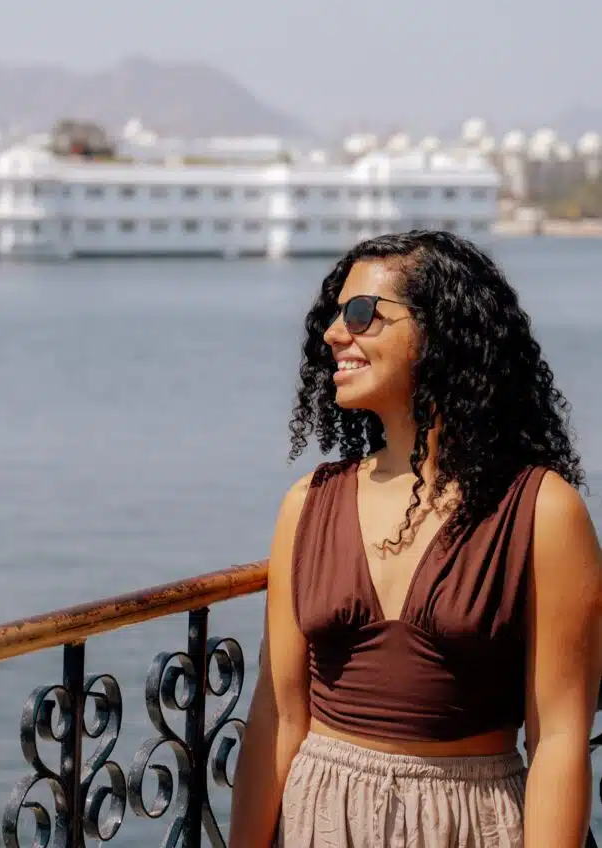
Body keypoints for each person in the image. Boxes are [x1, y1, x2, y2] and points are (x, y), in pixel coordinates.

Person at [229, 231, 601, 848]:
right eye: (332, 314)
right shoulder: (307, 503)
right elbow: (278, 714)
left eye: (360, 314)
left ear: (442, 332)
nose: (332, 334)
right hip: (321, 821)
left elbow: (559, 739)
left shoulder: (541, 511)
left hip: (469, 824)